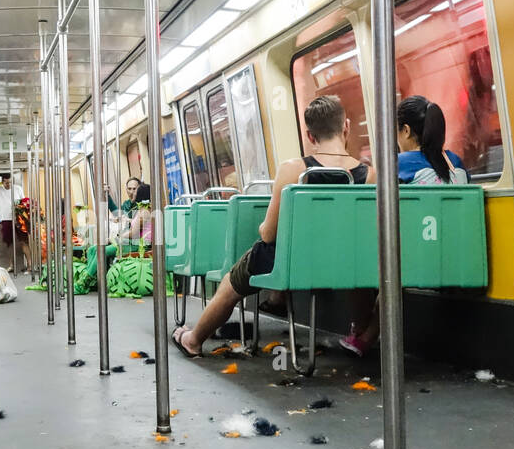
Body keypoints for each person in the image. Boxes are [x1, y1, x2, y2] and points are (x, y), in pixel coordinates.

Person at [172, 95, 375, 357]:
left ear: (310, 136)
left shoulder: (294, 170)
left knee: (233, 280)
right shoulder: (368, 175)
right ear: (346, 126)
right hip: (344, 259)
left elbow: (269, 232)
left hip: (293, 261)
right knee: (358, 260)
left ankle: (193, 340)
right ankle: (359, 332)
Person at [340, 95, 467, 355]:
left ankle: (362, 333)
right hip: (456, 250)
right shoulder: (456, 161)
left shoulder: (401, 163)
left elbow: (369, 204)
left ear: (406, 130)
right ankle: (364, 335)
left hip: (417, 255)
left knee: (354, 260)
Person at [0, 174, 24, 271]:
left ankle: (29, 265)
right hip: (6, 218)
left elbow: (23, 202)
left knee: (24, 242)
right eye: (6, 182)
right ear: (3, 182)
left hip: (18, 218)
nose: (8, 184)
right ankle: (11, 265)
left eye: (9, 182)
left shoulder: (18, 189)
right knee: (9, 243)